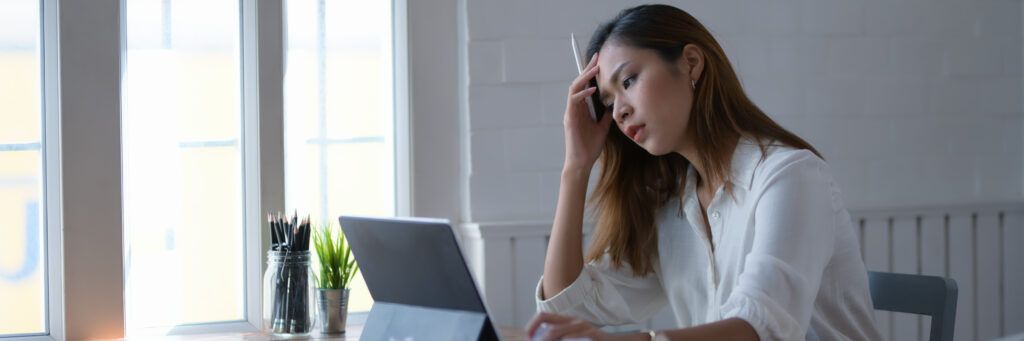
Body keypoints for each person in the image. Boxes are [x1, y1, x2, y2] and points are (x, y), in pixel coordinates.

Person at [526, 4, 882, 341]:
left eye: (629, 81)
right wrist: (576, 166)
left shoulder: (790, 177)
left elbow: (761, 327)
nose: (618, 111)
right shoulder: (675, 206)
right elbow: (570, 305)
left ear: (692, 63)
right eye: (606, 102)